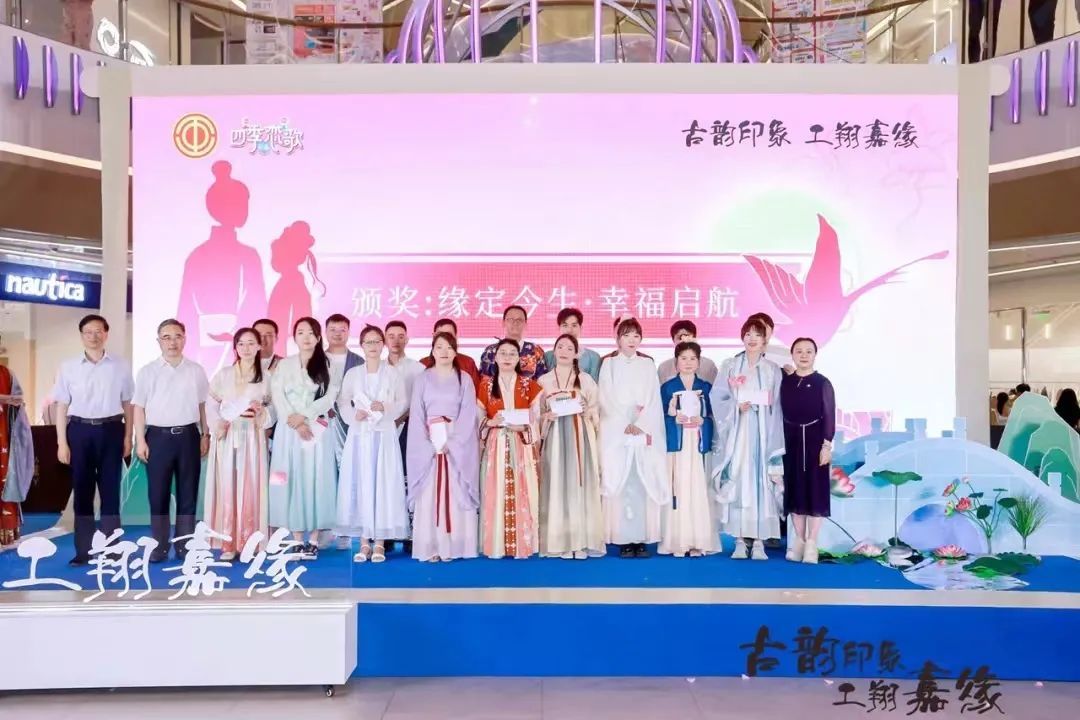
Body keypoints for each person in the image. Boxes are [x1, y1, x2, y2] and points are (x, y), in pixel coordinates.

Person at [53, 314, 135, 566]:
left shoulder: (121, 365)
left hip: (112, 430)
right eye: (88, 332)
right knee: (82, 492)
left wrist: (128, 436)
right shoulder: (68, 366)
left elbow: (128, 403)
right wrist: (61, 442)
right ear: (81, 336)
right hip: (79, 432)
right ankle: (83, 550)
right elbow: (61, 406)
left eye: (98, 331)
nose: (93, 336)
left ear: (106, 334)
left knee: (111, 492)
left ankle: (112, 549)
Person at [133, 319, 211, 562]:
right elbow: (138, 408)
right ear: (158, 341)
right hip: (157, 438)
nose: (172, 342)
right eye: (166, 337)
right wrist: (140, 440)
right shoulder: (147, 371)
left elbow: (203, 406)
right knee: (158, 495)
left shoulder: (196, 370)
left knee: (188, 494)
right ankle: (159, 546)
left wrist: (205, 434)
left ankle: (184, 545)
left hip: (188, 436)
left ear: (185, 339)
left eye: (177, 336)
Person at [711, 317, 785, 561]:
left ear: (765, 340)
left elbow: (778, 405)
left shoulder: (772, 369)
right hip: (738, 433)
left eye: (757, 335)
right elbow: (718, 398)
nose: (752, 339)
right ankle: (740, 540)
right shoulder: (731, 365)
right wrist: (735, 406)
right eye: (748, 334)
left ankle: (760, 540)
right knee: (739, 480)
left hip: (763, 434)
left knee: (761, 482)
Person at [336, 326, 409, 562]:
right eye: (368, 342)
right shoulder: (353, 374)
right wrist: (353, 415)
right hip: (360, 436)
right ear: (362, 345)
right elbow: (343, 401)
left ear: (383, 345)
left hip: (384, 436)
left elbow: (402, 401)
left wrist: (385, 407)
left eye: (377, 341)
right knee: (362, 483)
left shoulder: (393, 373)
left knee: (383, 485)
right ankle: (364, 542)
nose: (373, 346)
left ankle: (380, 542)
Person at [269, 317, 339, 560]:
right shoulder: (284, 365)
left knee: (317, 478)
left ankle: (314, 539)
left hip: (316, 430)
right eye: (301, 332)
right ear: (294, 337)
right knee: (289, 478)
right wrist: (294, 421)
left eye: (311, 333)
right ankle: (296, 538)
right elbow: (277, 395)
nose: (306, 337)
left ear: (318, 337)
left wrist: (305, 417)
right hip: (289, 431)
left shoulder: (328, 364)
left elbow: (330, 396)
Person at [406, 332, 480, 562]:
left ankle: (456, 546)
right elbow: (417, 415)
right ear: (432, 351)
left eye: (449, 347)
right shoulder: (422, 379)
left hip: (456, 442)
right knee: (429, 492)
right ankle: (431, 546)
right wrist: (427, 444)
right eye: (439, 347)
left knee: (456, 489)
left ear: (455, 351)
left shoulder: (464, 379)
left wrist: (454, 442)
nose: (444, 351)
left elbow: (468, 414)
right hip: (429, 442)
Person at [598, 318, 668, 559]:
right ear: (618, 338)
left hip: (642, 429)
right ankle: (623, 539)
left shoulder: (647, 364)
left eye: (636, 336)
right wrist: (623, 423)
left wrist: (640, 424)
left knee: (641, 481)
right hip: (617, 433)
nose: (631, 340)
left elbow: (653, 399)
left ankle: (641, 538)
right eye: (626, 335)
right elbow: (605, 397)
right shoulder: (609, 364)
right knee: (621, 481)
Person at [203, 328, 274, 560]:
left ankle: (250, 541)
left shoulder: (267, 377)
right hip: (228, 435)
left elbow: (274, 407)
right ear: (235, 347)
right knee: (227, 485)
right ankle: (228, 543)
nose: (246, 348)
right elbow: (210, 404)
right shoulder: (224, 374)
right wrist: (218, 423)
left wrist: (263, 413)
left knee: (252, 486)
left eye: (251, 343)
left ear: (259, 346)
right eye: (241, 344)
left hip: (253, 437)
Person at [537, 333, 604, 559]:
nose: (564, 351)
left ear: (577, 354)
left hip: (579, 437)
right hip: (555, 437)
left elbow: (596, 409)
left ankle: (581, 541)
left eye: (569, 348)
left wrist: (587, 411)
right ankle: (560, 541)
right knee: (556, 485)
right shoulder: (544, 381)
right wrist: (546, 417)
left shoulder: (585, 380)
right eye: (560, 347)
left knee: (579, 486)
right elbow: (536, 413)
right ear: (554, 351)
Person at [477, 338, 543, 559]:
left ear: (519, 359)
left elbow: (537, 418)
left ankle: (524, 542)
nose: (507, 357)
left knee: (524, 488)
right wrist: (490, 422)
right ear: (495, 357)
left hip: (521, 443)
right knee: (495, 489)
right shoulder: (485, 385)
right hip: (496, 444)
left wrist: (524, 426)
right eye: (503, 353)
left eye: (512, 353)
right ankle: (496, 543)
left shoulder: (530, 386)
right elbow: (477, 418)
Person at [658, 342, 719, 557]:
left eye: (693, 358)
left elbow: (714, 416)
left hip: (698, 444)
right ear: (676, 362)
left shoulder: (706, 388)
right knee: (678, 488)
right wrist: (673, 418)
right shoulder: (667, 387)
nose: (688, 362)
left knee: (698, 488)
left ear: (699, 362)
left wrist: (704, 421)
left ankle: (698, 541)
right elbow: (659, 418)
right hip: (678, 445)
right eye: (683, 358)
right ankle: (677, 541)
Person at [779, 338, 835, 564]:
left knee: (815, 492)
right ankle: (799, 541)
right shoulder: (785, 382)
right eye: (799, 351)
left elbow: (829, 414)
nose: (804, 355)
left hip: (815, 441)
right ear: (792, 354)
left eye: (808, 351)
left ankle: (812, 543)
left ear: (815, 355)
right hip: (790, 441)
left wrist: (826, 445)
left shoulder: (822, 383)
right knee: (795, 491)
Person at [385, 320, 424, 554]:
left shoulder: (417, 369)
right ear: (384, 339)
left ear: (407, 339)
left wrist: (400, 418)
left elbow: (421, 401)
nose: (396, 341)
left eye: (401, 336)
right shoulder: (376, 368)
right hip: (383, 430)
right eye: (391, 336)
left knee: (409, 481)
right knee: (387, 481)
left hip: (410, 429)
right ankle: (387, 532)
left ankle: (410, 533)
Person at [0, 343, 33, 546]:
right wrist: (5, 399)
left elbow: (18, 397)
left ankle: (6, 527)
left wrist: (15, 401)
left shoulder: (6, 374)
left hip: (4, 433)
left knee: (6, 476)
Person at [479, 306, 547, 380]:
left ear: (525, 324)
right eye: (511, 319)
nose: (515, 323)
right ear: (503, 323)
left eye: (519, 320)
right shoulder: (491, 351)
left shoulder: (535, 350)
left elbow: (542, 381)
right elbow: (483, 380)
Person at [420, 318, 481, 389]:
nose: (444, 338)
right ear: (433, 337)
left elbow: (476, 392)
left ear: (455, 337)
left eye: (448, 334)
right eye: (440, 334)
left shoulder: (468, 363)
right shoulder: (423, 364)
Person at [543, 308, 602, 382]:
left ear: (581, 328)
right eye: (565, 325)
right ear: (559, 328)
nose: (569, 330)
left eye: (574, 325)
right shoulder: (548, 357)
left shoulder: (593, 357)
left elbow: (594, 386)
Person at [656, 320, 718, 385]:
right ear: (673, 340)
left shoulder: (709, 365)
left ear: (694, 338)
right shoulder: (664, 367)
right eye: (680, 338)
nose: (683, 341)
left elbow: (716, 389)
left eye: (687, 336)